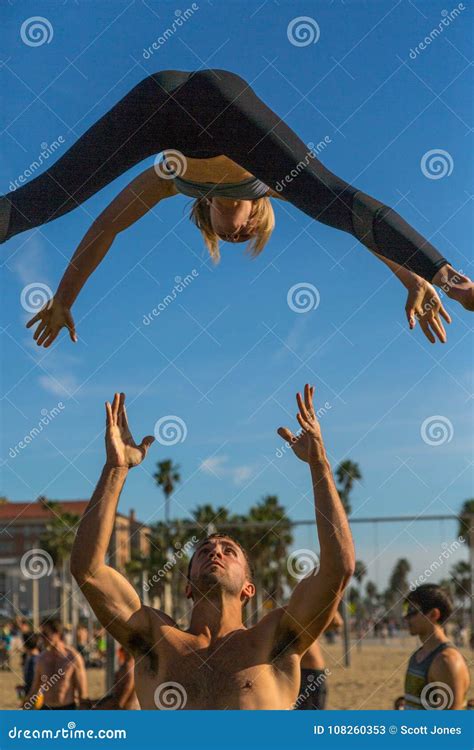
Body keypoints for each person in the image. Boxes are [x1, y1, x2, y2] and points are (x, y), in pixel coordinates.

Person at [0, 69, 468, 347]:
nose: (235, 233)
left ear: (208, 215)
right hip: (209, 98)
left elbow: (105, 229)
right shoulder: (268, 183)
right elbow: (348, 216)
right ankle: (461, 282)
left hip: (165, 104)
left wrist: (63, 301)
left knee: (48, 201)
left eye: (229, 238)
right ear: (257, 214)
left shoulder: (172, 182)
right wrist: (424, 277)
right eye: (246, 234)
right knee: (47, 198)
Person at [71, 386, 355, 709]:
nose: (215, 552)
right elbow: (88, 571)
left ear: (249, 589)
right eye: (204, 550)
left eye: (229, 550)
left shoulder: (273, 639)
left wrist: (319, 465)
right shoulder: (157, 640)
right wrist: (116, 469)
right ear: (188, 587)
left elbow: (338, 569)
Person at [403, 584, 470, 710]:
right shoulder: (418, 656)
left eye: (412, 611)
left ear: (434, 614)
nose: (406, 617)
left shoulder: (446, 662)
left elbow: (449, 727)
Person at [23, 617, 90, 710]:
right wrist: (25, 704)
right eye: (41, 635)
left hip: (67, 709)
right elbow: (35, 688)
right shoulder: (41, 659)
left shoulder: (73, 658)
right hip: (46, 709)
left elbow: (83, 693)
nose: (42, 638)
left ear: (57, 633)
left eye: (45, 634)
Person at [296, 611, 342, 710]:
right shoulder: (298, 614)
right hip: (309, 672)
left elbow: (337, 622)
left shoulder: (305, 616)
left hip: (308, 672)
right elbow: (337, 621)